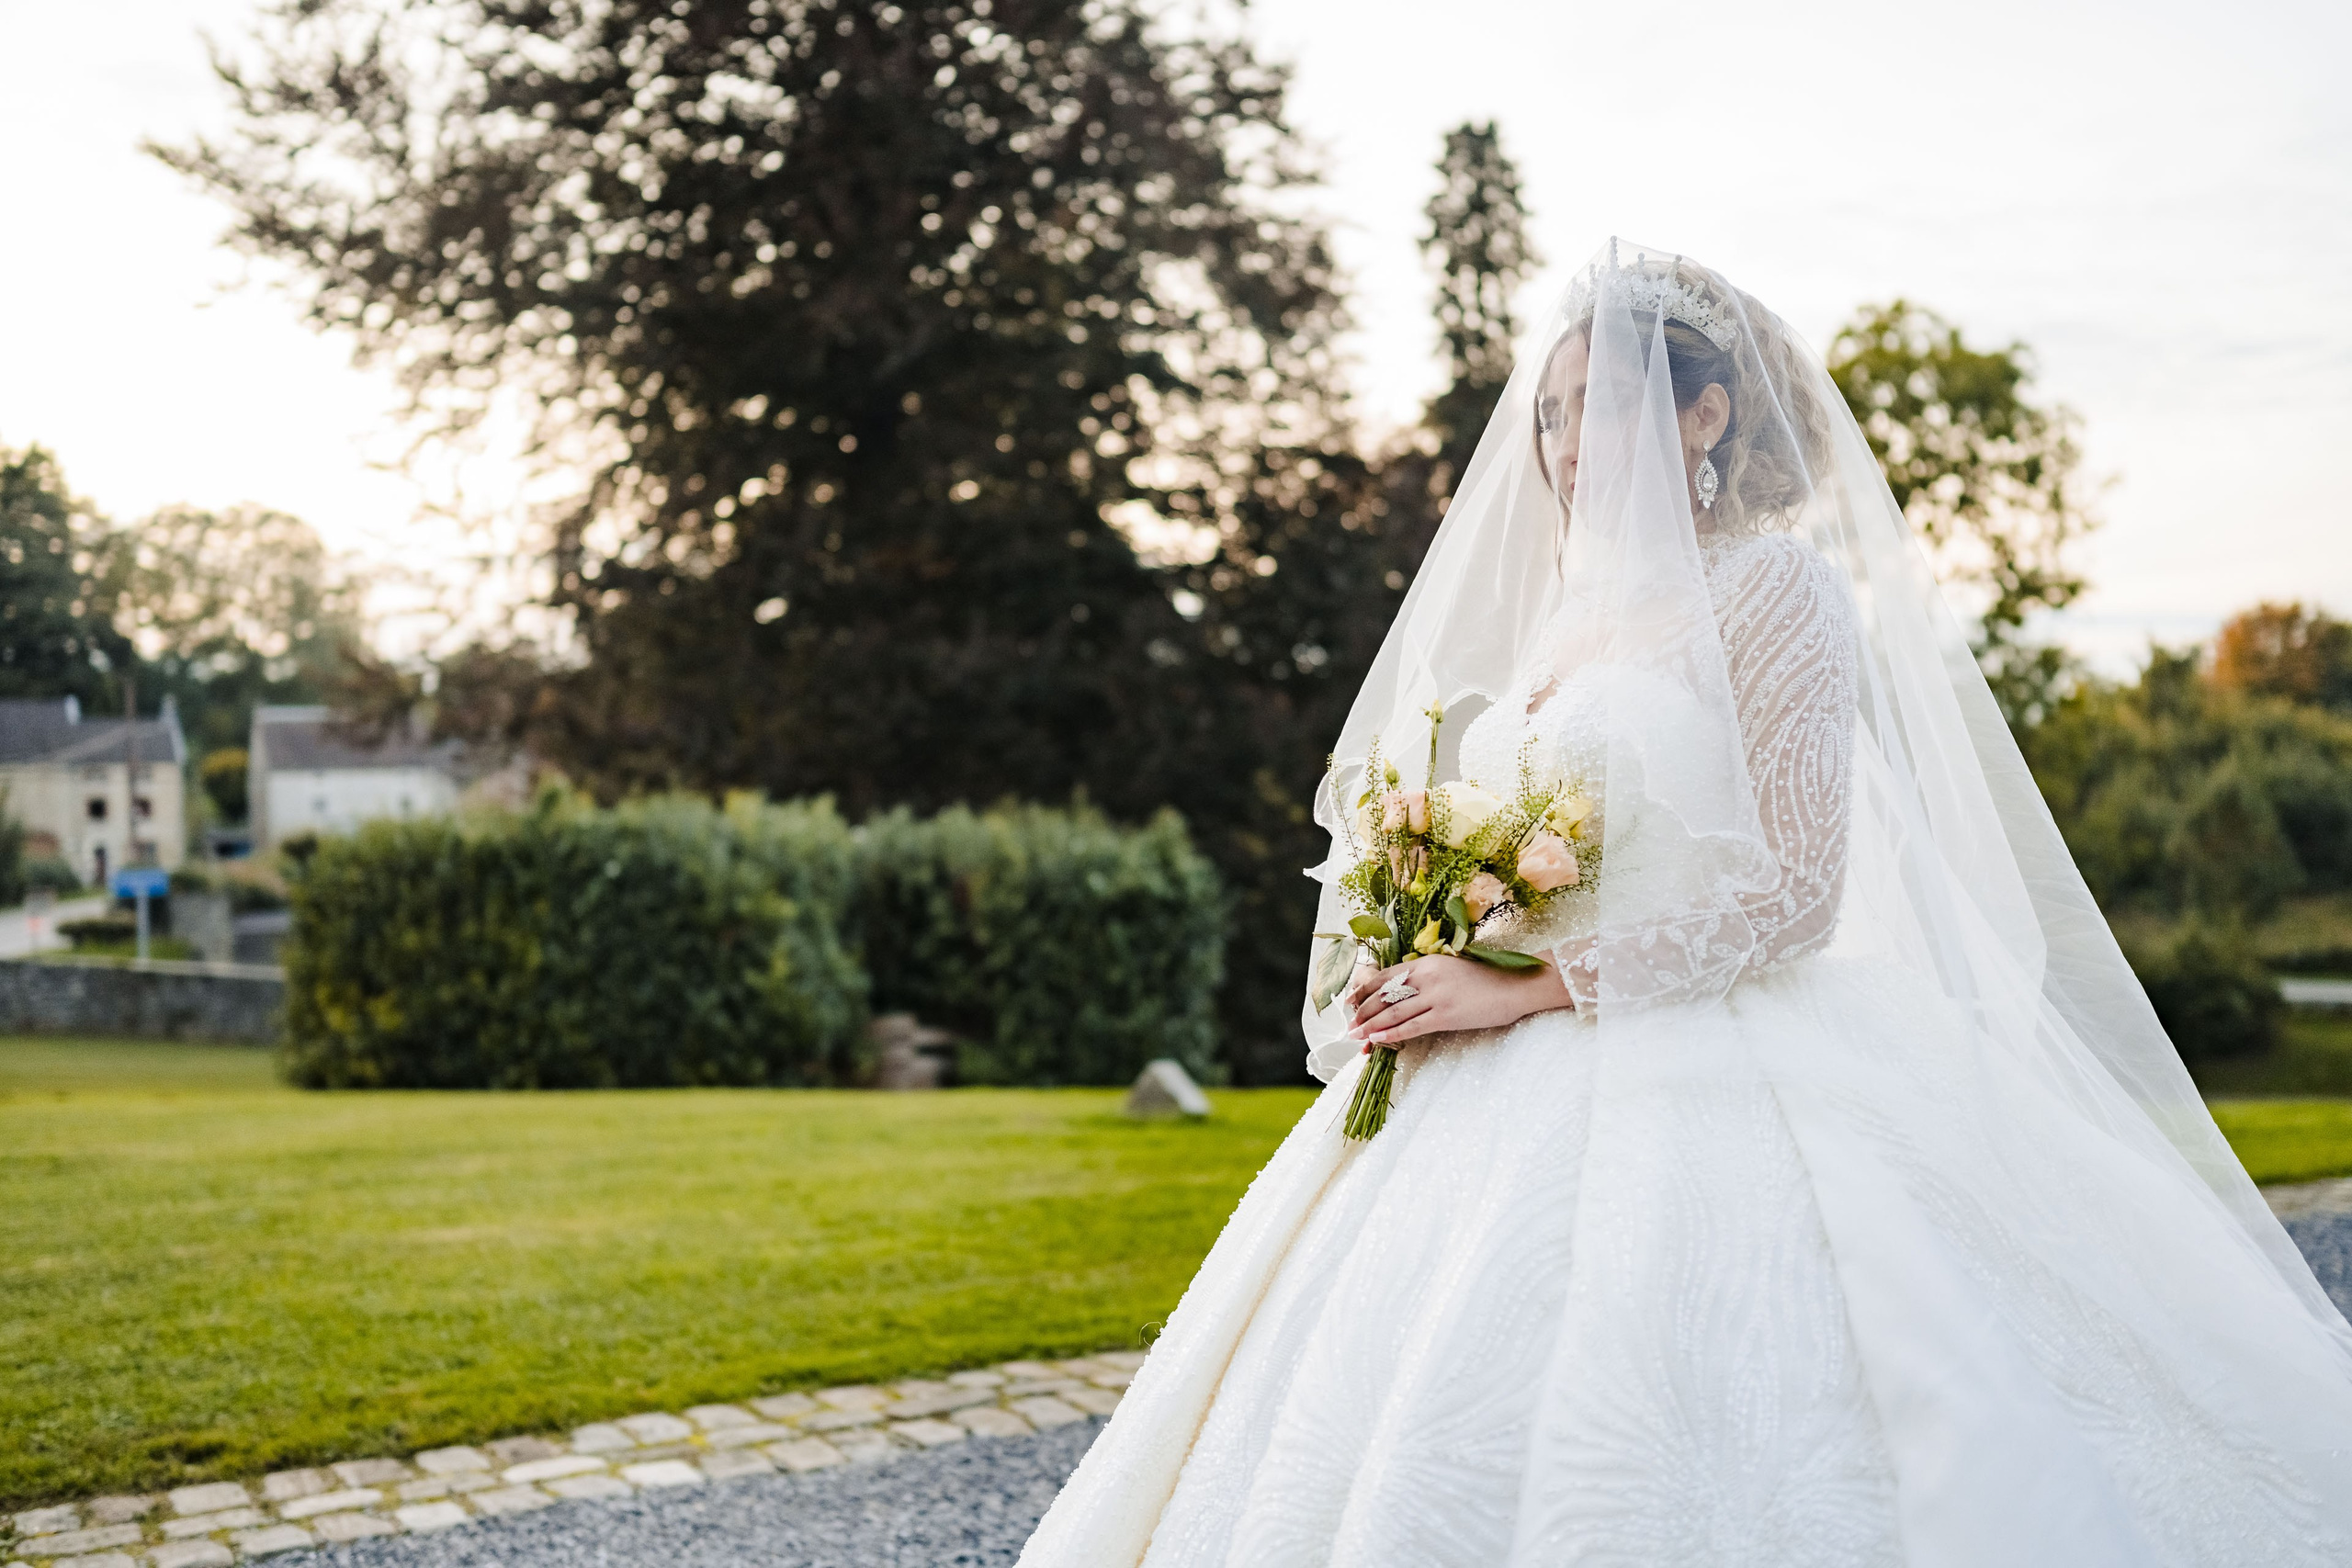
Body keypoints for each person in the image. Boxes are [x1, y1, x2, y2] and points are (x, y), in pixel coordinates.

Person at [1016, 242, 2352, 1567]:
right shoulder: (1571, 621)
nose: (1562, 443)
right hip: (1487, 1077)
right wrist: (1437, 953)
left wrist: (1534, 983)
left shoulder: (1775, 589)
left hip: (1718, 1048)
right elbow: (1553, 851)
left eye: (1595, 404)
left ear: (1705, 415)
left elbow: (1796, 892)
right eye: (1549, 410)